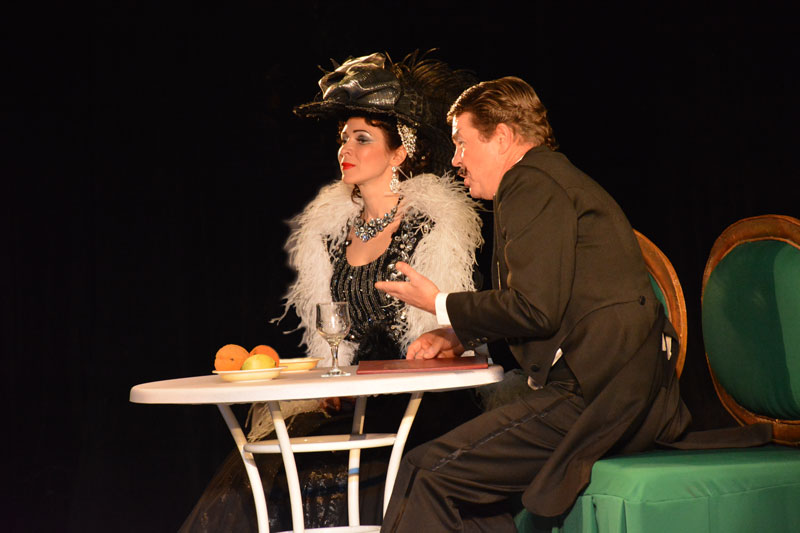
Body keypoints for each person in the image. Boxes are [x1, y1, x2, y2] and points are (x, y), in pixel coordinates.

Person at [374, 76, 768, 532]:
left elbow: (535, 309)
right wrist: (459, 333)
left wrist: (440, 303)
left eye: (462, 143)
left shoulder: (530, 183)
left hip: (600, 397)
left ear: (502, 137)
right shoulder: (546, 179)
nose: (456, 159)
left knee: (426, 472)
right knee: (457, 489)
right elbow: (550, 301)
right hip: (614, 391)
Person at [180, 51, 484, 532]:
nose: (347, 148)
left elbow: (453, 332)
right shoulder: (331, 235)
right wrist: (332, 381)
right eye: (344, 138)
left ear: (399, 153)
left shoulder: (432, 227)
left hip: (417, 407)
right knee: (257, 469)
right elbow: (332, 338)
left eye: (363, 138)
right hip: (352, 404)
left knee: (317, 475)